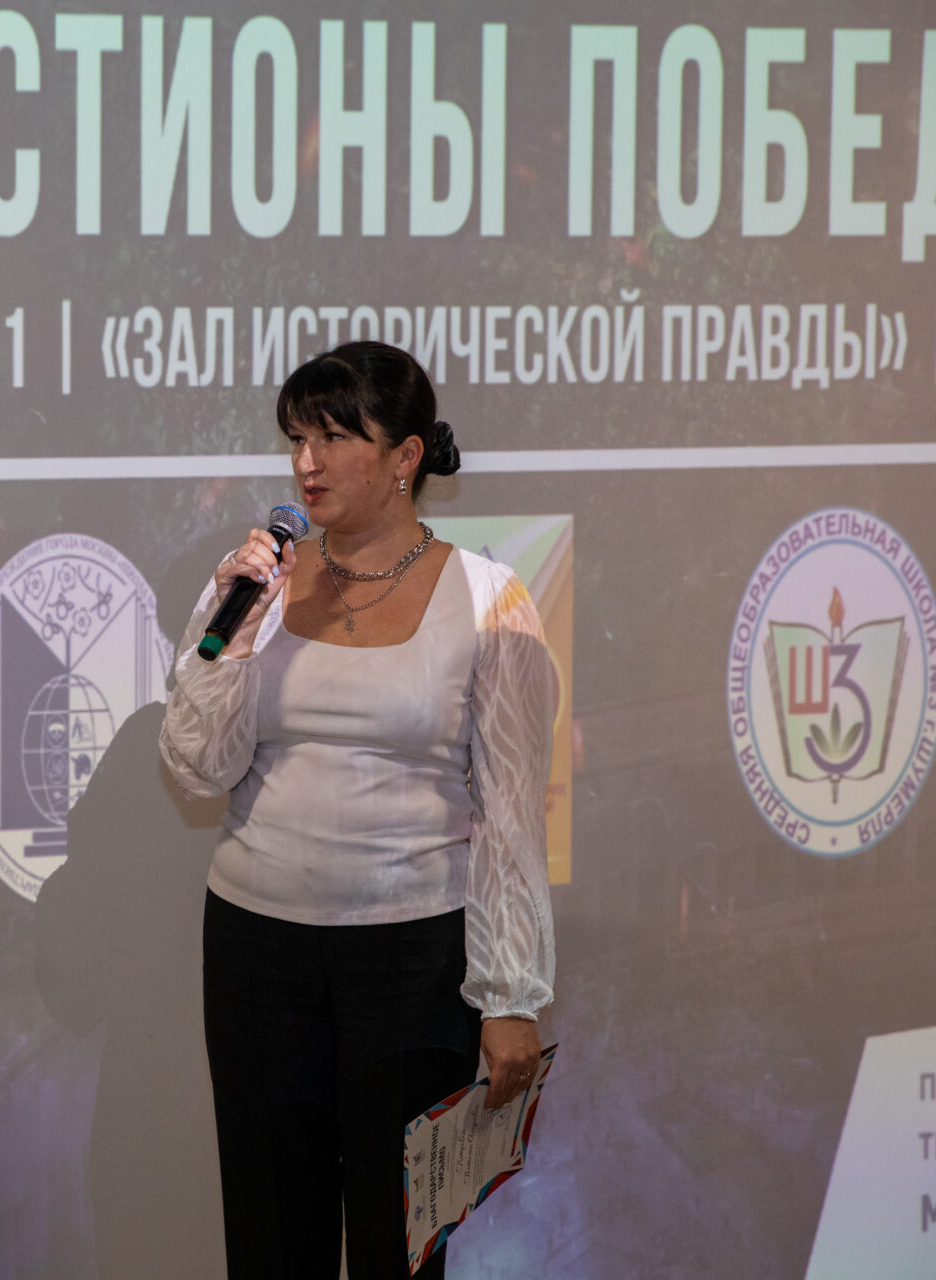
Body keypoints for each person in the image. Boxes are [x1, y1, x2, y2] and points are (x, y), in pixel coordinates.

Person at [158, 340, 556, 1279]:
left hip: (415, 960)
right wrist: (231, 637)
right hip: (257, 951)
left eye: (335, 438)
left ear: (405, 456)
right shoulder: (254, 585)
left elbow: (510, 815)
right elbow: (198, 767)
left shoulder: (489, 601)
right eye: (298, 438)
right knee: (271, 1234)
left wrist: (511, 999)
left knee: (397, 1245)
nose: (307, 461)